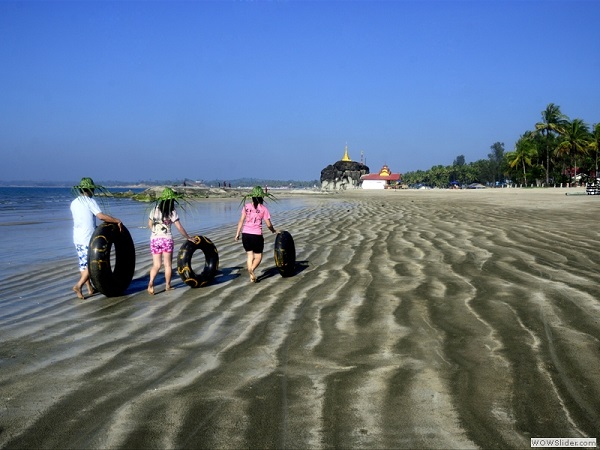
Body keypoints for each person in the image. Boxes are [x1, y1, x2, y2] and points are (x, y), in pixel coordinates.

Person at [70, 177, 123, 299]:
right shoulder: (89, 201)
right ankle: (79, 285)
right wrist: (116, 220)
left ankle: (89, 289)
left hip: (77, 237)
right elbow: (100, 216)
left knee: (83, 263)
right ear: (90, 190)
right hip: (88, 237)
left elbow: (83, 219)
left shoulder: (74, 203)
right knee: (90, 264)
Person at [148, 187, 194, 295]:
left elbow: (150, 225)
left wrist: (156, 232)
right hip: (167, 239)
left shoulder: (154, 210)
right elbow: (179, 227)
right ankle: (168, 286)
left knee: (156, 265)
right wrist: (188, 237)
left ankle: (150, 283)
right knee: (167, 265)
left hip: (155, 240)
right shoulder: (172, 211)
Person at [235, 186, 277, 282]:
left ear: (252, 197)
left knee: (250, 255)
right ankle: (251, 270)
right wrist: (273, 231)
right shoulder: (263, 209)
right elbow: (268, 224)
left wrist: (237, 233)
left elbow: (241, 220)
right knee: (258, 257)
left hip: (245, 234)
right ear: (262, 197)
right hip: (256, 235)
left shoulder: (246, 207)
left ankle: (251, 276)